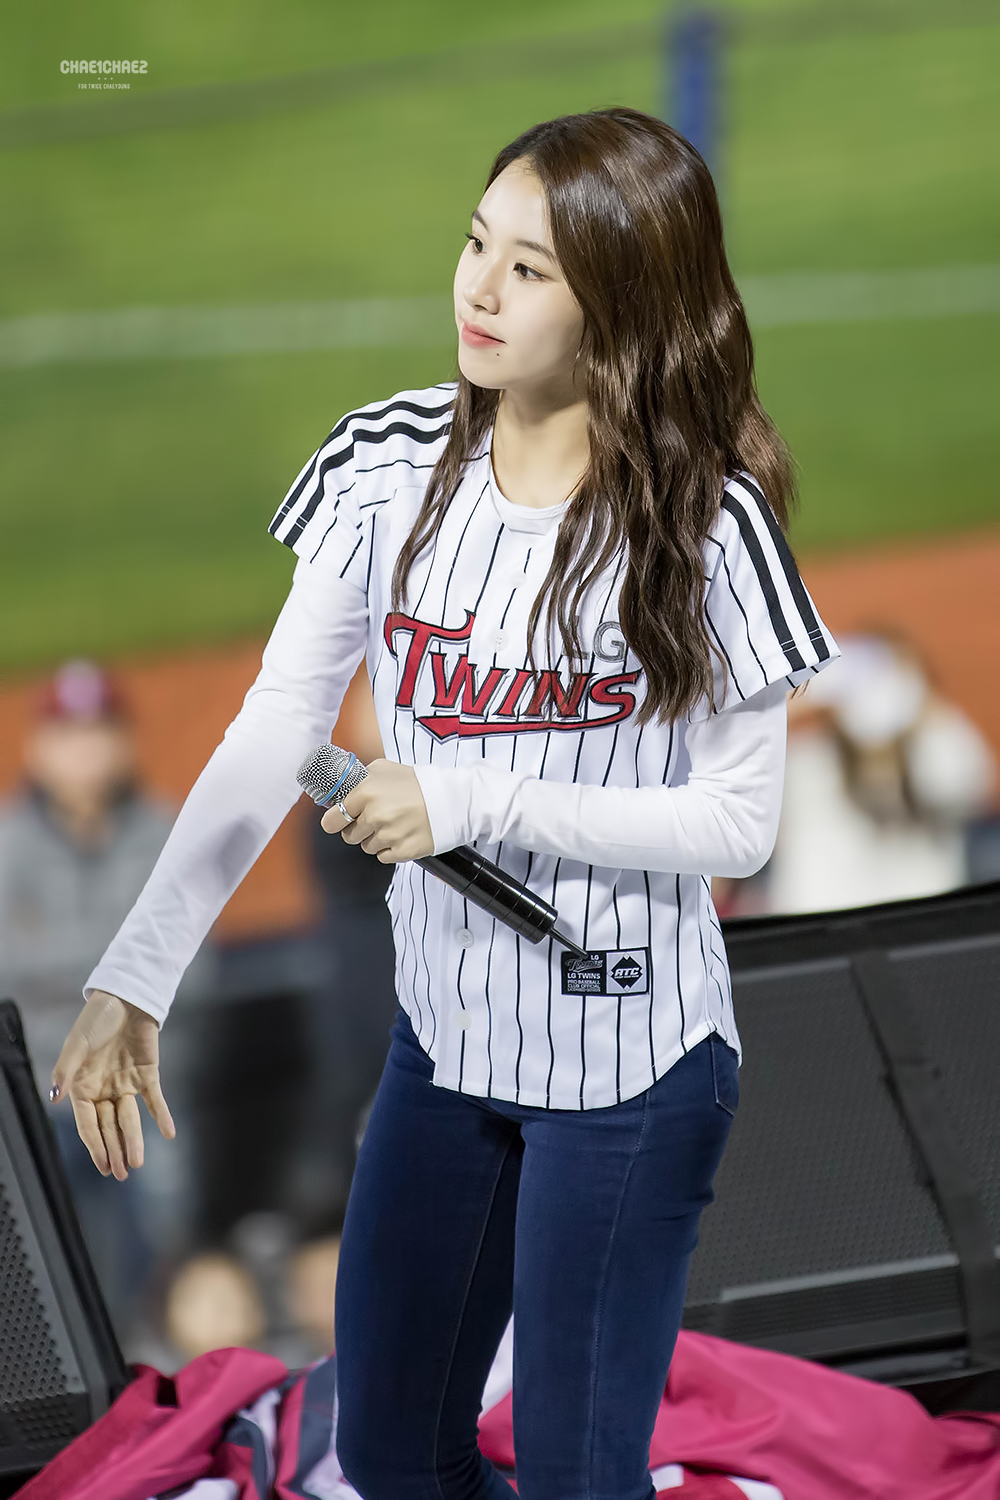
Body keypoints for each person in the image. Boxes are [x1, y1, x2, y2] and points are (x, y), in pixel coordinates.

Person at [50, 109, 839, 1499]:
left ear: (619, 302)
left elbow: (737, 825)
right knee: (394, 1457)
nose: (479, 289)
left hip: (631, 1070)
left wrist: (471, 798)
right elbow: (277, 730)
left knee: (579, 1480)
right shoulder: (382, 464)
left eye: (531, 270)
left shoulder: (710, 523)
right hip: (445, 1057)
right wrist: (135, 975)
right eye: (478, 245)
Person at [0, 659, 211, 1335]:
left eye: (100, 731)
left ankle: (154, 1344)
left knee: (164, 1233)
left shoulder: (165, 832)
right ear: (37, 747)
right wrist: (119, 974)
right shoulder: (7, 844)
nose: (85, 750)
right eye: (69, 734)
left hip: (143, 1080)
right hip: (41, 1084)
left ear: (125, 742)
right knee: (36, 1247)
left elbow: (197, 974)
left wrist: (73, 985)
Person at [766, 631, 996, 913]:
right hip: (814, 928)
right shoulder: (809, 765)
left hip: (915, 925)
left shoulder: (933, 762)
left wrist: (915, 699)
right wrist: (794, 695)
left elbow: (970, 779)